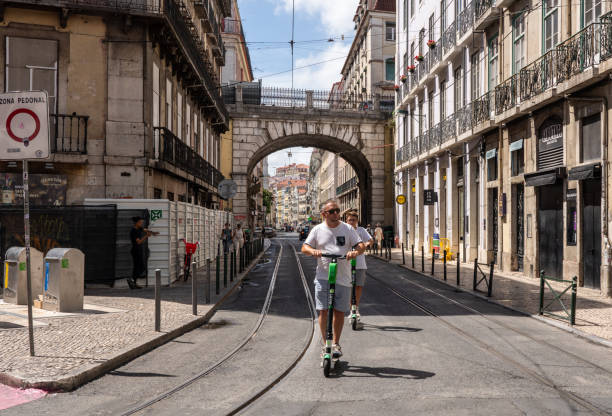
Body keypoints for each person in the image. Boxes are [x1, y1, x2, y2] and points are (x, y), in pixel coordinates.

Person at [301, 200, 365, 358]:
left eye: (337, 210)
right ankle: (326, 344)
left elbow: (361, 245)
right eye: (332, 211)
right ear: (324, 214)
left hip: (343, 277)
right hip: (323, 276)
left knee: (339, 312)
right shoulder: (317, 229)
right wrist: (313, 251)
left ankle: (335, 343)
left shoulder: (347, 228)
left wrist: (354, 252)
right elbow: (304, 247)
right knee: (323, 311)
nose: (336, 213)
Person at [345, 210, 373, 327]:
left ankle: (355, 309)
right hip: (346, 264)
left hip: (360, 264)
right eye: (350, 220)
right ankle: (352, 309)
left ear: (357, 221)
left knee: (358, 287)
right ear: (346, 220)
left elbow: (370, 240)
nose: (352, 222)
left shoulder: (361, 230)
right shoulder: (343, 230)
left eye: (354, 220)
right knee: (348, 287)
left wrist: (366, 244)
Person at [129, 216, 158, 290]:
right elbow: (138, 242)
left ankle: (133, 282)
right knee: (138, 266)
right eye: (140, 222)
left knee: (140, 266)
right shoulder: (133, 231)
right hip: (135, 250)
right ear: (136, 223)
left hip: (139, 250)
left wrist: (152, 233)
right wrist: (146, 236)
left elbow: (145, 230)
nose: (141, 223)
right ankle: (132, 281)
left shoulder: (139, 228)